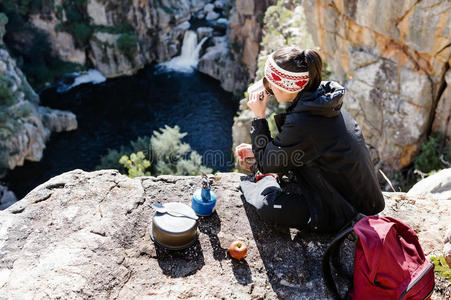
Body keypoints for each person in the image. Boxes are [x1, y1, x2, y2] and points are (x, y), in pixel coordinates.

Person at [236, 46, 385, 234]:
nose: (267, 87)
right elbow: (304, 146)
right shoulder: (320, 101)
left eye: (269, 82)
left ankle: (265, 181)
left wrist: (259, 117)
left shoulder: (306, 118)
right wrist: (263, 151)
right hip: (352, 194)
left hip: (343, 208)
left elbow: (268, 163)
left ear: (286, 86)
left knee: (268, 206)